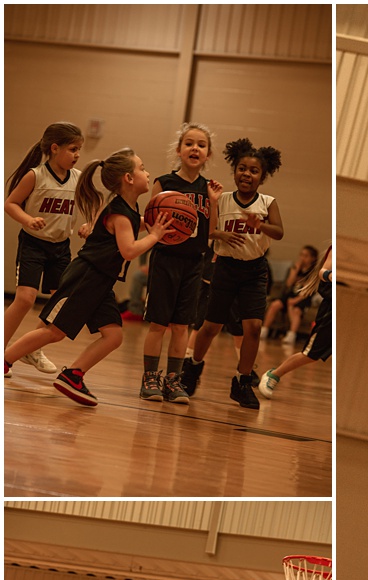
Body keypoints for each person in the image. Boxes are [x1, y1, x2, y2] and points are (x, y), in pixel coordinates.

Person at [3, 147, 174, 406]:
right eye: (142, 168)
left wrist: (155, 222)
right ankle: (4, 361)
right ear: (128, 178)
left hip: (101, 282)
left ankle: (73, 375)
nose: (147, 173)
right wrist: (155, 236)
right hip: (85, 277)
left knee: (114, 335)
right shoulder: (118, 211)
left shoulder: (127, 208)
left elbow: (133, 223)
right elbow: (128, 250)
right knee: (54, 331)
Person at [180, 137, 283, 409]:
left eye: (253, 170)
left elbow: (280, 232)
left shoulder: (268, 202)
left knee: (254, 327)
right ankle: (193, 367)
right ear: (234, 170)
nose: (246, 174)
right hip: (225, 268)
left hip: (254, 271)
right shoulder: (222, 199)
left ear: (263, 175)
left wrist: (259, 225)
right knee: (210, 326)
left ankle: (242, 380)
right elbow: (210, 232)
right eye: (241, 168)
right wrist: (222, 232)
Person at [139, 122, 222, 404]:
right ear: (178, 150)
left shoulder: (208, 189)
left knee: (182, 326)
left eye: (201, 145)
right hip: (166, 259)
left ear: (208, 154)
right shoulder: (165, 182)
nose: (194, 148)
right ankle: (150, 377)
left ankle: (173, 381)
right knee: (158, 324)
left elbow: (210, 232)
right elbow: (151, 222)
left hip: (194, 263)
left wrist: (212, 202)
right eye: (189, 143)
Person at [3, 121, 84, 375]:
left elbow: (92, 204)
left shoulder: (78, 178)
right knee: (25, 298)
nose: (77, 155)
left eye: (79, 149)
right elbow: (11, 203)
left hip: (60, 247)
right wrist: (28, 219)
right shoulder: (35, 175)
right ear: (55, 148)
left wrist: (90, 224)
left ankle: (32, 348)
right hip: (34, 244)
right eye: (73, 149)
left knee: (60, 301)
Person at [259, 245, 331, 399]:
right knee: (311, 354)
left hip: (304, 300)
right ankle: (274, 375)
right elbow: (322, 272)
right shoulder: (337, 249)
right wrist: (331, 275)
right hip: (331, 309)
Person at [260, 243, 318, 342]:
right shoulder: (295, 268)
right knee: (274, 305)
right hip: (291, 294)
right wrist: (295, 270)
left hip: (303, 297)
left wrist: (295, 301)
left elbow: (308, 291)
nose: (302, 258)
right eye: (301, 255)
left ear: (313, 258)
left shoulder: (313, 272)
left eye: (306, 256)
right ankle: (264, 330)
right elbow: (289, 283)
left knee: (296, 310)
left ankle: (291, 334)